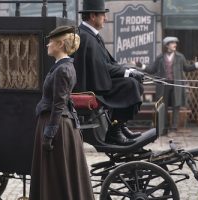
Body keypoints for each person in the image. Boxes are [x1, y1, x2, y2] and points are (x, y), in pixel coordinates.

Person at [29, 26, 94, 200]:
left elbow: (59, 104)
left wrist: (49, 135)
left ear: (59, 44)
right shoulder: (61, 67)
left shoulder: (63, 69)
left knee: (56, 175)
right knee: (55, 174)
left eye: (51, 41)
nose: (47, 44)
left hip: (57, 126)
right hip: (57, 123)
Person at [73, 0, 144, 145]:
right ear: (93, 16)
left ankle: (119, 126)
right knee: (130, 85)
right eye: (103, 15)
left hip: (98, 81)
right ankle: (114, 132)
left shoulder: (91, 35)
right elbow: (101, 67)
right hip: (91, 87)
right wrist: (127, 73)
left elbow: (107, 63)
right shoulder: (86, 37)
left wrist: (128, 70)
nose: (105, 18)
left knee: (133, 83)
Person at [137, 36, 198, 135]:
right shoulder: (160, 57)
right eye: (172, 43)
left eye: (175, 43)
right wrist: (140, 65)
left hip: (176, 85)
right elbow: (152, 70)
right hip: (163, 85)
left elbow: (187, 68)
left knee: (176, 106)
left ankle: (174, 128)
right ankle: (163, 128)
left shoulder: (180, 57)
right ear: (167, 45)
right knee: (163, 106)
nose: (175, 45)